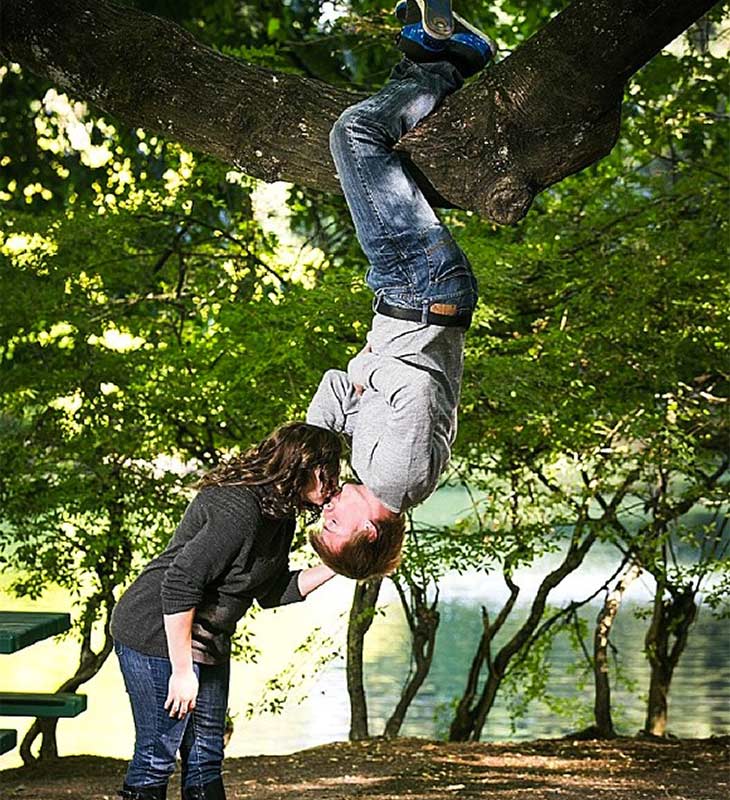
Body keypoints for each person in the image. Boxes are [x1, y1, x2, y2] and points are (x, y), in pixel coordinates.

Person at [110, 422, 401, 800]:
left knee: (205, 759)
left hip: (207, 641)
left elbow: (270, 590)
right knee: (157, 758)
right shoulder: (239, 508)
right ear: (308, 467)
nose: (334, 486)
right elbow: (179, 584)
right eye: (329, 473)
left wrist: (343, 564)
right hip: (154, 633)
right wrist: (182, 672)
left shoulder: (280, 515)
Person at [307, 1, 497, 576]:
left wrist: (316, 442)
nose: (327, 510)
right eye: (334, 524)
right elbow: (409, 390)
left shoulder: (373, 469)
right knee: (356, 134)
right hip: (422, 291)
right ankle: (451, 64)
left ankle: (439, 57)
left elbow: (336, 383)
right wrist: (371, 375)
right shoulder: (400, 477)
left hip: (409, 293)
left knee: (368, 150)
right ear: (369, 530)